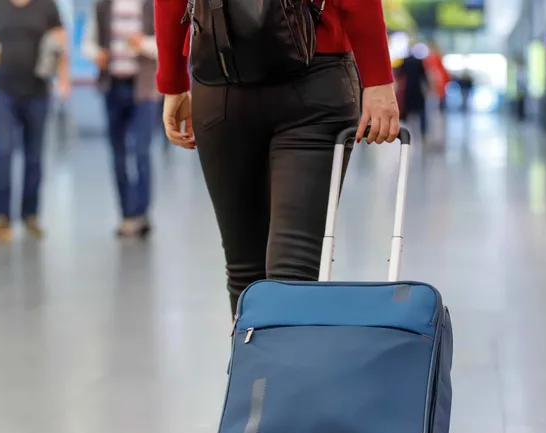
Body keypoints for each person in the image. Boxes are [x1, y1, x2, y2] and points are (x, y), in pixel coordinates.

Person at [155, 0, 401, 313]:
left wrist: (173, 82)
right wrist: (377, 78)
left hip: (221, 68)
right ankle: (282, 346)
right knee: (294, 275)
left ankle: (253, 346)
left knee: (245, 275)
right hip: (313, 70)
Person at [0, 0, 70, 242]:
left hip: (37, 91)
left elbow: (61, 44)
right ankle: (1, 217)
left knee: (34, 156)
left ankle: (30, 215)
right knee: (2, 151)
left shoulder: (46, 6)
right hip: (3, 91)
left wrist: (63, 78)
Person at [81, 0, 159, 238]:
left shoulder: (152, 5)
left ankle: (141, 213)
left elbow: (167, 45)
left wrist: (142, 43)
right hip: (113, 87)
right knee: (118, 154)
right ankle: (126, 215)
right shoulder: (102, 6)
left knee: (142, 150)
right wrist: (97, 55)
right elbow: (87, 44)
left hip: (144, 89)